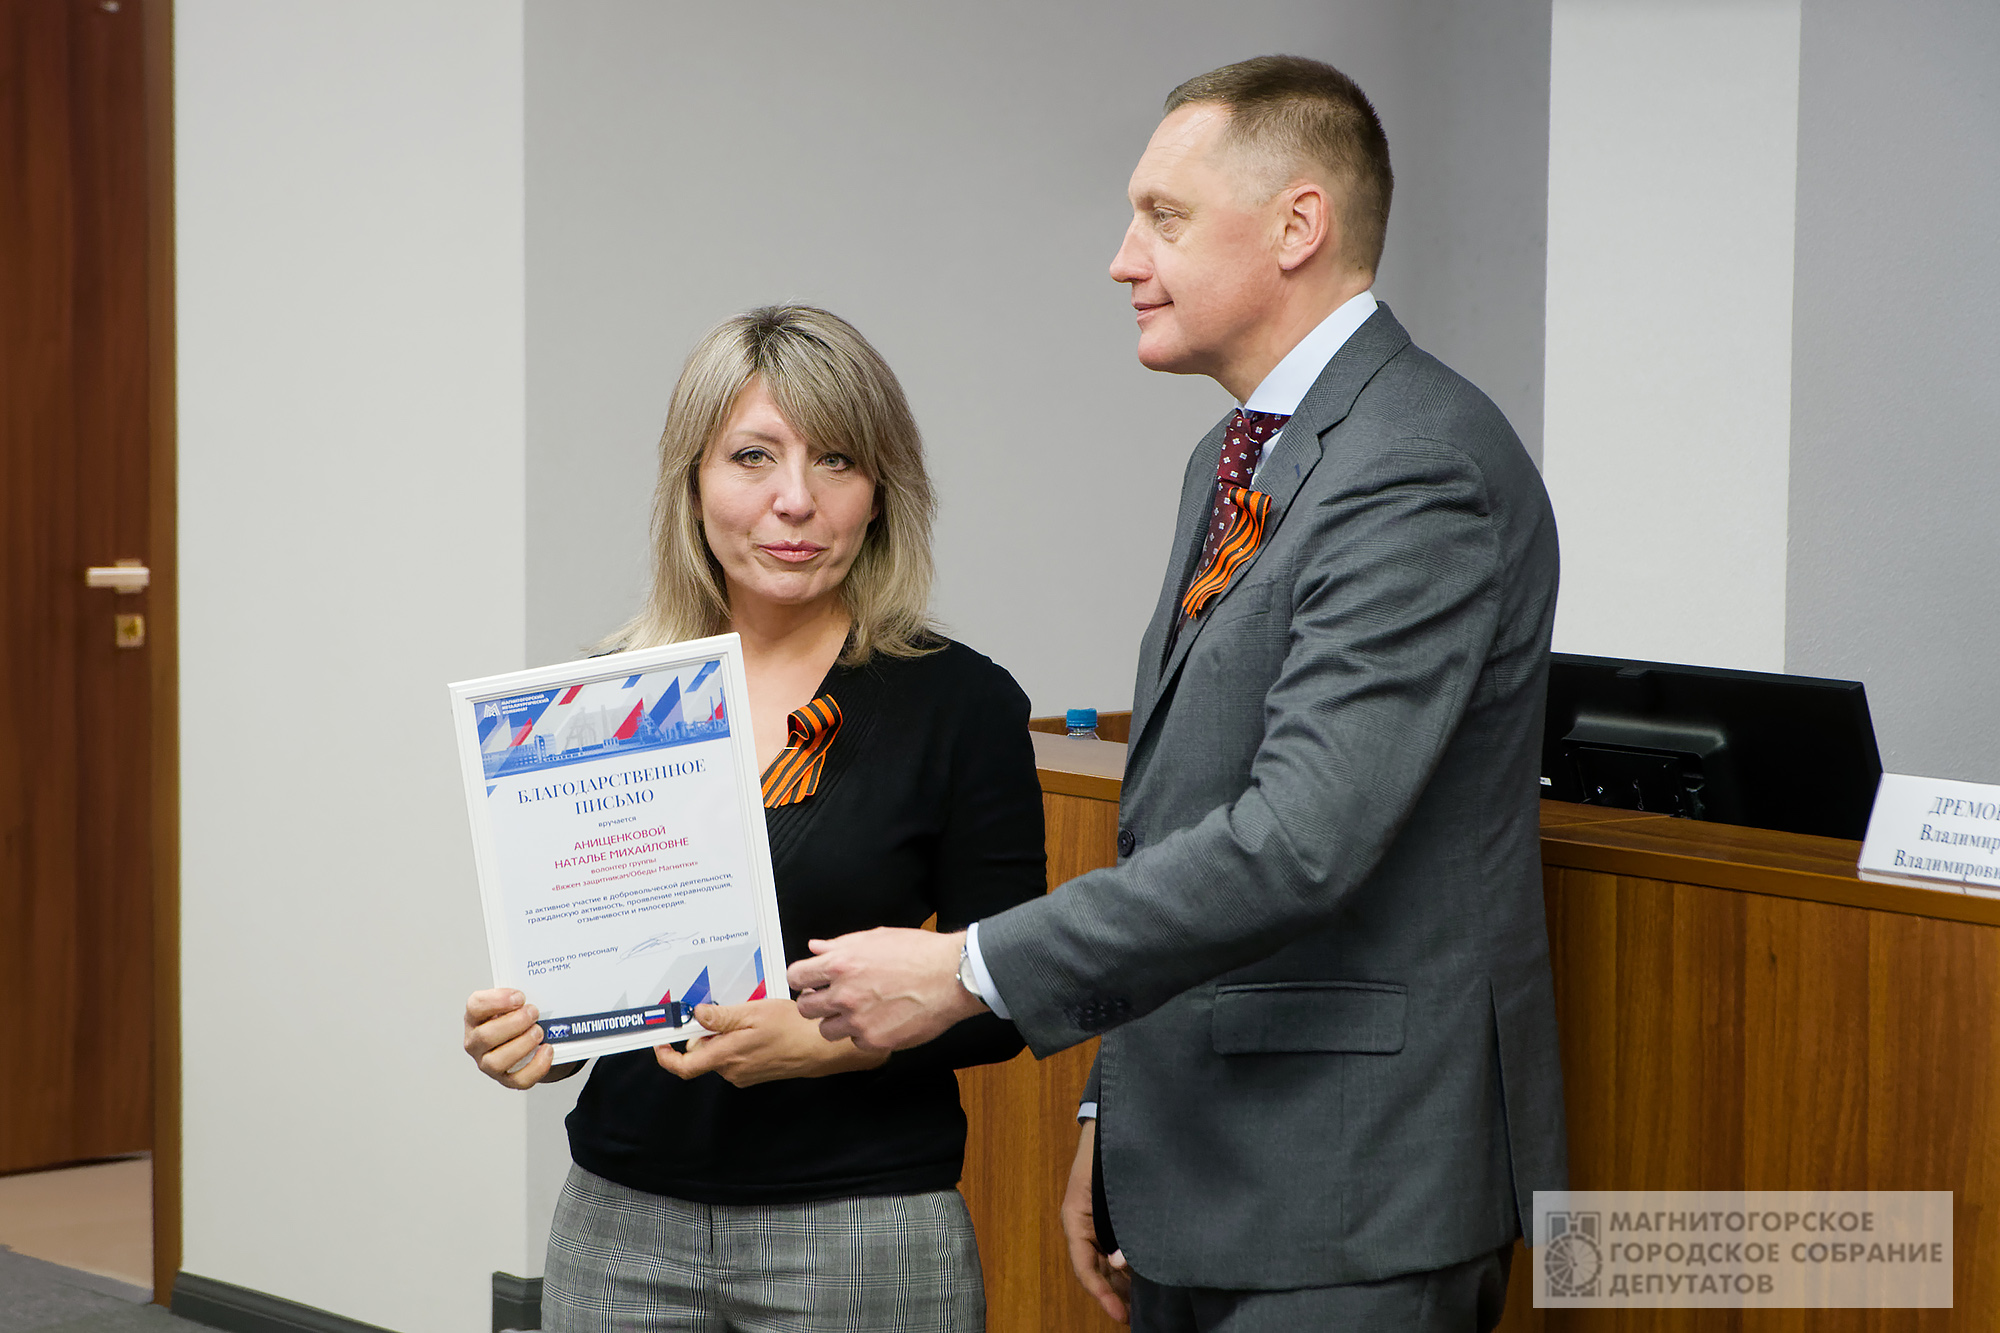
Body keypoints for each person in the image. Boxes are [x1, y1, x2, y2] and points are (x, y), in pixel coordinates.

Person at [788, 56, 1566, 1332]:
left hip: (1348, 1186)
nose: (1121, 260)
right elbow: (1178, 817)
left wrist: (967, 969)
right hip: (1195, 1155)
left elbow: (1297, 841)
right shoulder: (1233, 453)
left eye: (1162, 216)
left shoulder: (1412, 463)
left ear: (1297, 225)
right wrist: (1116, 1104)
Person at [463, 305, 1045, 1333]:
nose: (795, 499)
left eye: (836, 459)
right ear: (692, 482)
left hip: (859, 1231)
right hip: (619, 1221)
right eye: (752, 456)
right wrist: (536, 1031)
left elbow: (1009, 995)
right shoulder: (608, 703)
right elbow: (597, 966)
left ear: (881, 491)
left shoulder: (961, 705)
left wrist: (838, 1041)